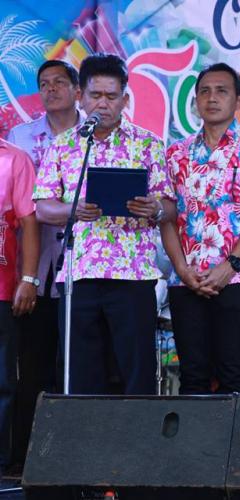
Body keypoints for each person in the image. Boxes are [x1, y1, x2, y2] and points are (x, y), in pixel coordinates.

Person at [33, 53, 174, 395]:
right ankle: (85, 431)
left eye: (112, 96)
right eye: (95, 95)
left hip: (133, 274)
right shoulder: (64, 145)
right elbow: (42, 209)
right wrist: (73, 210)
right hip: (79, 275)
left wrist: (154, 208)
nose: (103, 104)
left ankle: (138, 430)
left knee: (136, 372)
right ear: (80, 96)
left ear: (125, 100)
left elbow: (170, 207)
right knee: (81, 374)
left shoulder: (148, 144)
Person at [163, 63, 240, 395]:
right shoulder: (176, 153)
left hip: (236, 279)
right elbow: (167, 217)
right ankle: (194, 434)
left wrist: (230, 266)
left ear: (239, 100)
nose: (212, 98)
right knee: (192, 376)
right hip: (186, 280)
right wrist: (181, 270)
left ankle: (236, 434)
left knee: (236, 374)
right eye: (204, 91)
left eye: (221, 91)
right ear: (195, 100)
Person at [7, 59, 84, 467]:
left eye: (59, 82)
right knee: (32, 360)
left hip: (84, 261)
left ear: (77, 90)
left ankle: (74, 457)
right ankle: (25, 458)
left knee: (77, 362)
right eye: (44, 84)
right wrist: (27, 275)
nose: (51, 89)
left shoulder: (95, 135)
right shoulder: (20, 138)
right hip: (32, 263)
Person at [0, 139, 39, 475]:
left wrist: (28, 278)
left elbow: (29, 222)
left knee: (2, 382)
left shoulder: (15, 159)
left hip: (1, 288)